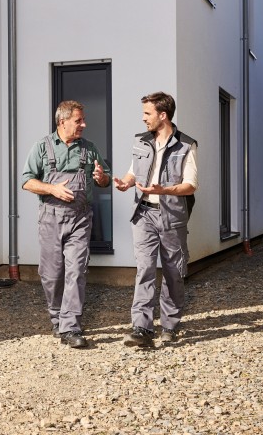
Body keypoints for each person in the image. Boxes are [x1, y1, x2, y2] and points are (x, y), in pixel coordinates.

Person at [22, 100, 111, 348]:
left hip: (81, 218)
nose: (83, 124)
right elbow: (27, 181)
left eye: (83, 120)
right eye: (78, 120)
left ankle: (71, 326)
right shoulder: (42, 147)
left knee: (77, 271)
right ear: (62, 122)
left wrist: (102, 177)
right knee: (51, 274)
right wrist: (52, 189)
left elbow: (105, 181)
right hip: (50, 216)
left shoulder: (89, 149)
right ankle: (57, 317)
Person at [113, 91, 198, 347]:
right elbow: (132, 171)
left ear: (163, 115)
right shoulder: (141, 141)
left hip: (171, 216)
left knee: (173, 272)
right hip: (144, 215)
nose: (143, 118)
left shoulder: (186, 144)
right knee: (144, 270)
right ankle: (142, 328)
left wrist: (164, 190)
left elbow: (191, 185)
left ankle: (170, 325)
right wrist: (125, 183)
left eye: (147, 113)